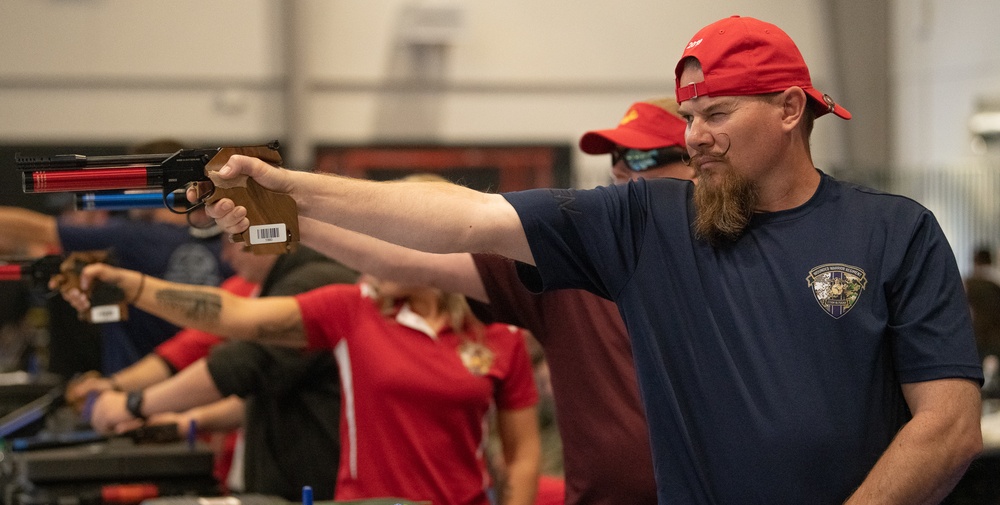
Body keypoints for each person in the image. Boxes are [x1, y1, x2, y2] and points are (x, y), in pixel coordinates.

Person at [195, 15, 985, 504]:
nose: (695, 135)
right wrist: (285, 192)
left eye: (717, 113)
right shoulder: (648, 222)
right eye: (688, 116)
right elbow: (458, 219)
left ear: (789, 109)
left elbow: (947, 427)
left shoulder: (893, 231)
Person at [213, 98, 690, 505]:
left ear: (698, 162)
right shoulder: (574, 267)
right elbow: (418, 253)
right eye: (616, 158)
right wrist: (282, 213)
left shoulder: (736, 266)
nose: (622, 169)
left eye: (643, 157)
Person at [62, 265, 541, 505]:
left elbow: (522, 455)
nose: (363, 254)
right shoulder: (351, 310)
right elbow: (236, 316)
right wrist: (136, 288)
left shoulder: (501, 338)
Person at [0, 139, 233, 374]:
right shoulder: (222, 239)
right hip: (204, 382)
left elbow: (39, 230)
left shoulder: (132, 236)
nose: (127, 190)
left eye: (134, 181)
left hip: (142, 388)